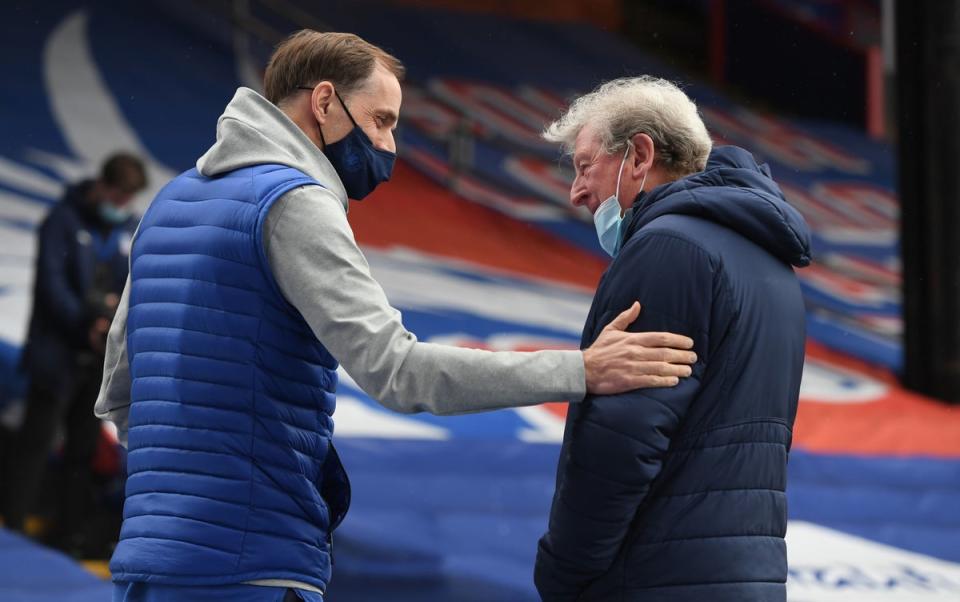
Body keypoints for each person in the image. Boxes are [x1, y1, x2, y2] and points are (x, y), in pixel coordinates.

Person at [94, 32, 698, 601]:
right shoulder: (295, 202)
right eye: (381, 120)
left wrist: (179, 490)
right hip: (251, 562)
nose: (387, 145)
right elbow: (399, 371)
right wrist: (582, 371)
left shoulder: (167, 203)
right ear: (324, 101)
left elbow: (120, 392)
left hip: (146, 559)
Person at [533, 76, 811, 601]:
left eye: (585, 165)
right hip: (747, 577)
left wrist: (563, 571)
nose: (576, 192)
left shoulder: (667, 250)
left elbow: (623, 440)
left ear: (639, 155)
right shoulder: (768, 262)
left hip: (656, 578)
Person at [1, 153, 146, 555]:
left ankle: (69, 534)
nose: (119, 209)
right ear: (102, 185)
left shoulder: (127, 232)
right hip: (57, 356)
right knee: (36, 444)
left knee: (83, 451)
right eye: (116, 199)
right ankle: (12, 528)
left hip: (97, 361)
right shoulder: (62, 221)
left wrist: (109, 325)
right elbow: (51, 288)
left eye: (126, 203)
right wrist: (89, 322)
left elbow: (131, 285)